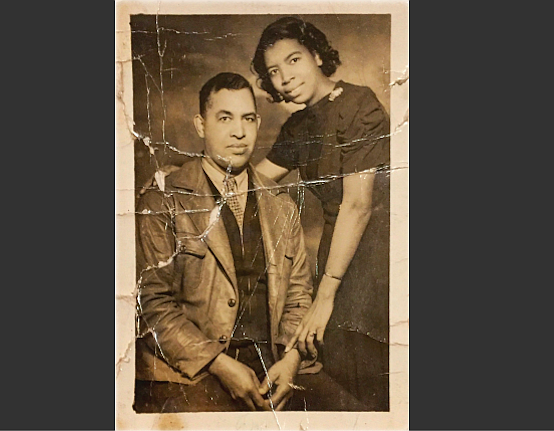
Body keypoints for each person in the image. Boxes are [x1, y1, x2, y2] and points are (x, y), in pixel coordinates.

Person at [134, 72, 366, 413]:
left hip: (275, 365)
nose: (239, 132)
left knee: (357, 416)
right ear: (201, 125)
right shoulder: (163, 198)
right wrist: (218, 364)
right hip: (192, 372)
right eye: (224, 118)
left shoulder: (282, 203)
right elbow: (150, 306)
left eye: (248, 119)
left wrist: (290, 359)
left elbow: (299, 295)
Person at [249, 17, 391, 410]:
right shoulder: (298, 127)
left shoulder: (359, 103)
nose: (284, 78)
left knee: (372, 370)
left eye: (293, 60)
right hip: (337, 252)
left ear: (315, 55)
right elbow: (255, 181)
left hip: (380, 252)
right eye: (273, 71)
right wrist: (188, 172)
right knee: (340, 365)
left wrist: (324, 297)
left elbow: (359, 206)